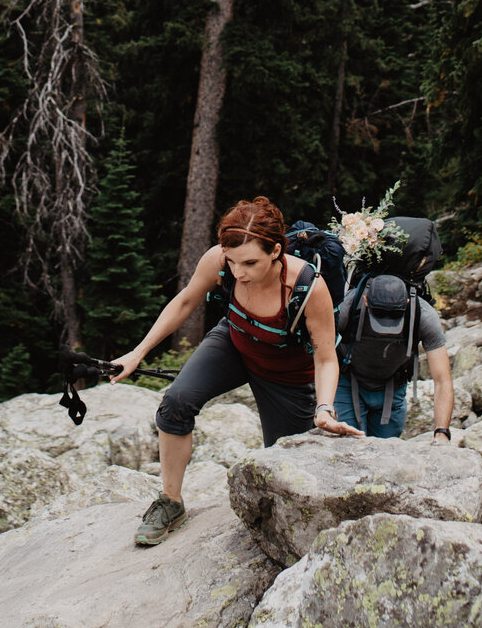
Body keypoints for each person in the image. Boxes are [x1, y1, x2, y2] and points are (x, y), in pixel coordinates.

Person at [111, 195, 362, 546]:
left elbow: (324, 357)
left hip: (286, 374)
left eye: (249, 262)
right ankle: (170, 502)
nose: (238, 273)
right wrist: (137, 353)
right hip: (234, 342)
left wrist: (324, 408)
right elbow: (185, 301)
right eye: (231, 262)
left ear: (275, 250)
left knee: (284, 467)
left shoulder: (308, 287)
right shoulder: (219, 260)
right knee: (175, 403)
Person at [333, 287, 454, 441]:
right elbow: (321, 356)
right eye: (379, 318)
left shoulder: (423, 315)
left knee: (385, 452)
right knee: (349, 445)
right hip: (347, 382)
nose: (386, 330)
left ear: (407, 303)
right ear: (366, 300)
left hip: (393, 385)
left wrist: (442, 433)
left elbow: (442, 379)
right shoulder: (347, 307)